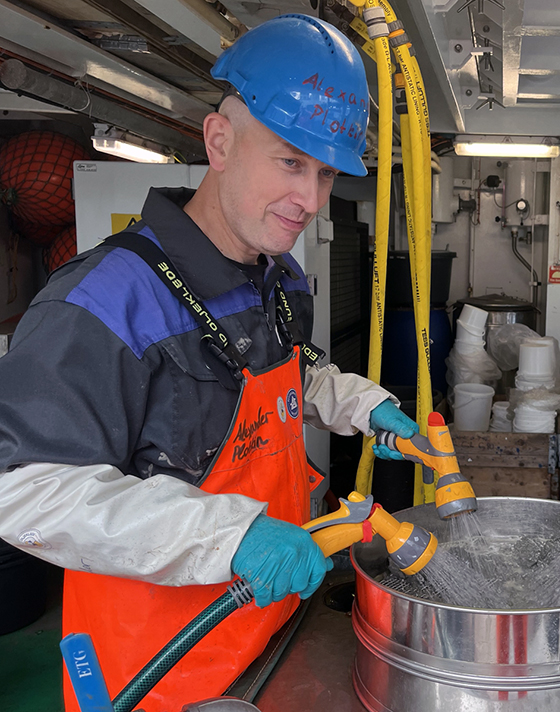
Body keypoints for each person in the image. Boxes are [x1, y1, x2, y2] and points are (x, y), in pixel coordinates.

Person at [0, 14, 418, 712]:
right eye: (290, 161)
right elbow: (23, 491)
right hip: (157, 677)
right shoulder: (102, 301)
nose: (310, 200)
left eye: (325, 174)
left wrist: (353, 402)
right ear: (219, 141)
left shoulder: (275, 276)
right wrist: (231, 535)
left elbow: (286, 373)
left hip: (269, 642)